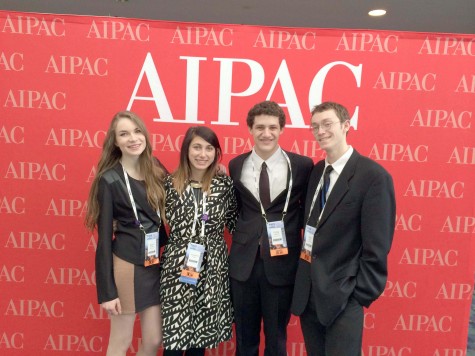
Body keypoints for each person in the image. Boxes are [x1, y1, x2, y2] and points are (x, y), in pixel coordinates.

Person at [291, 101, 396, 356]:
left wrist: (358, 295)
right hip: (309, 294)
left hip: (343, 296)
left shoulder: (373, 177)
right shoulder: (317, 172)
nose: (321, 131)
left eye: (327, 124)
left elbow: (377, 246)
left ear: (346, 126)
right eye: (315, 126)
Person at [228, 100, 313, 356]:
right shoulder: (236, 164)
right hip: (243, 265)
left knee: (276, 339)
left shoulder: (302, 166)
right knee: (245, 337)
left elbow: (307, 213)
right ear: (250, 129)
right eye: (260, 127)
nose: (267, 133)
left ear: (282, 129)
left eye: (273, 127)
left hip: (282, 264)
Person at [85, 111, 167, 356]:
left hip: (154, 264)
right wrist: (107, 293)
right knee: (121, 341)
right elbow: (103, 242)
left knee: (153, 339)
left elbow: (181, 189)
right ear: (116, 141)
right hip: (127, 264)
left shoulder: (156, 167)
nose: (133, 138)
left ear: (144, 135)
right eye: (124, 133)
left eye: (137, 131)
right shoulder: (108, 180)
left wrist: (209, 174)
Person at [160, 126, 237, 355]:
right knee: (174, 338)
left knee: (199, 339)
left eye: (209, 148)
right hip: (177, 266)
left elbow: (236, 224)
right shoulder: (169, 185)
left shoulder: (225, 185)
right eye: (197, 147)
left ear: (216, 153)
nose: (202, 154)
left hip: (213, 267)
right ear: (186, 150)